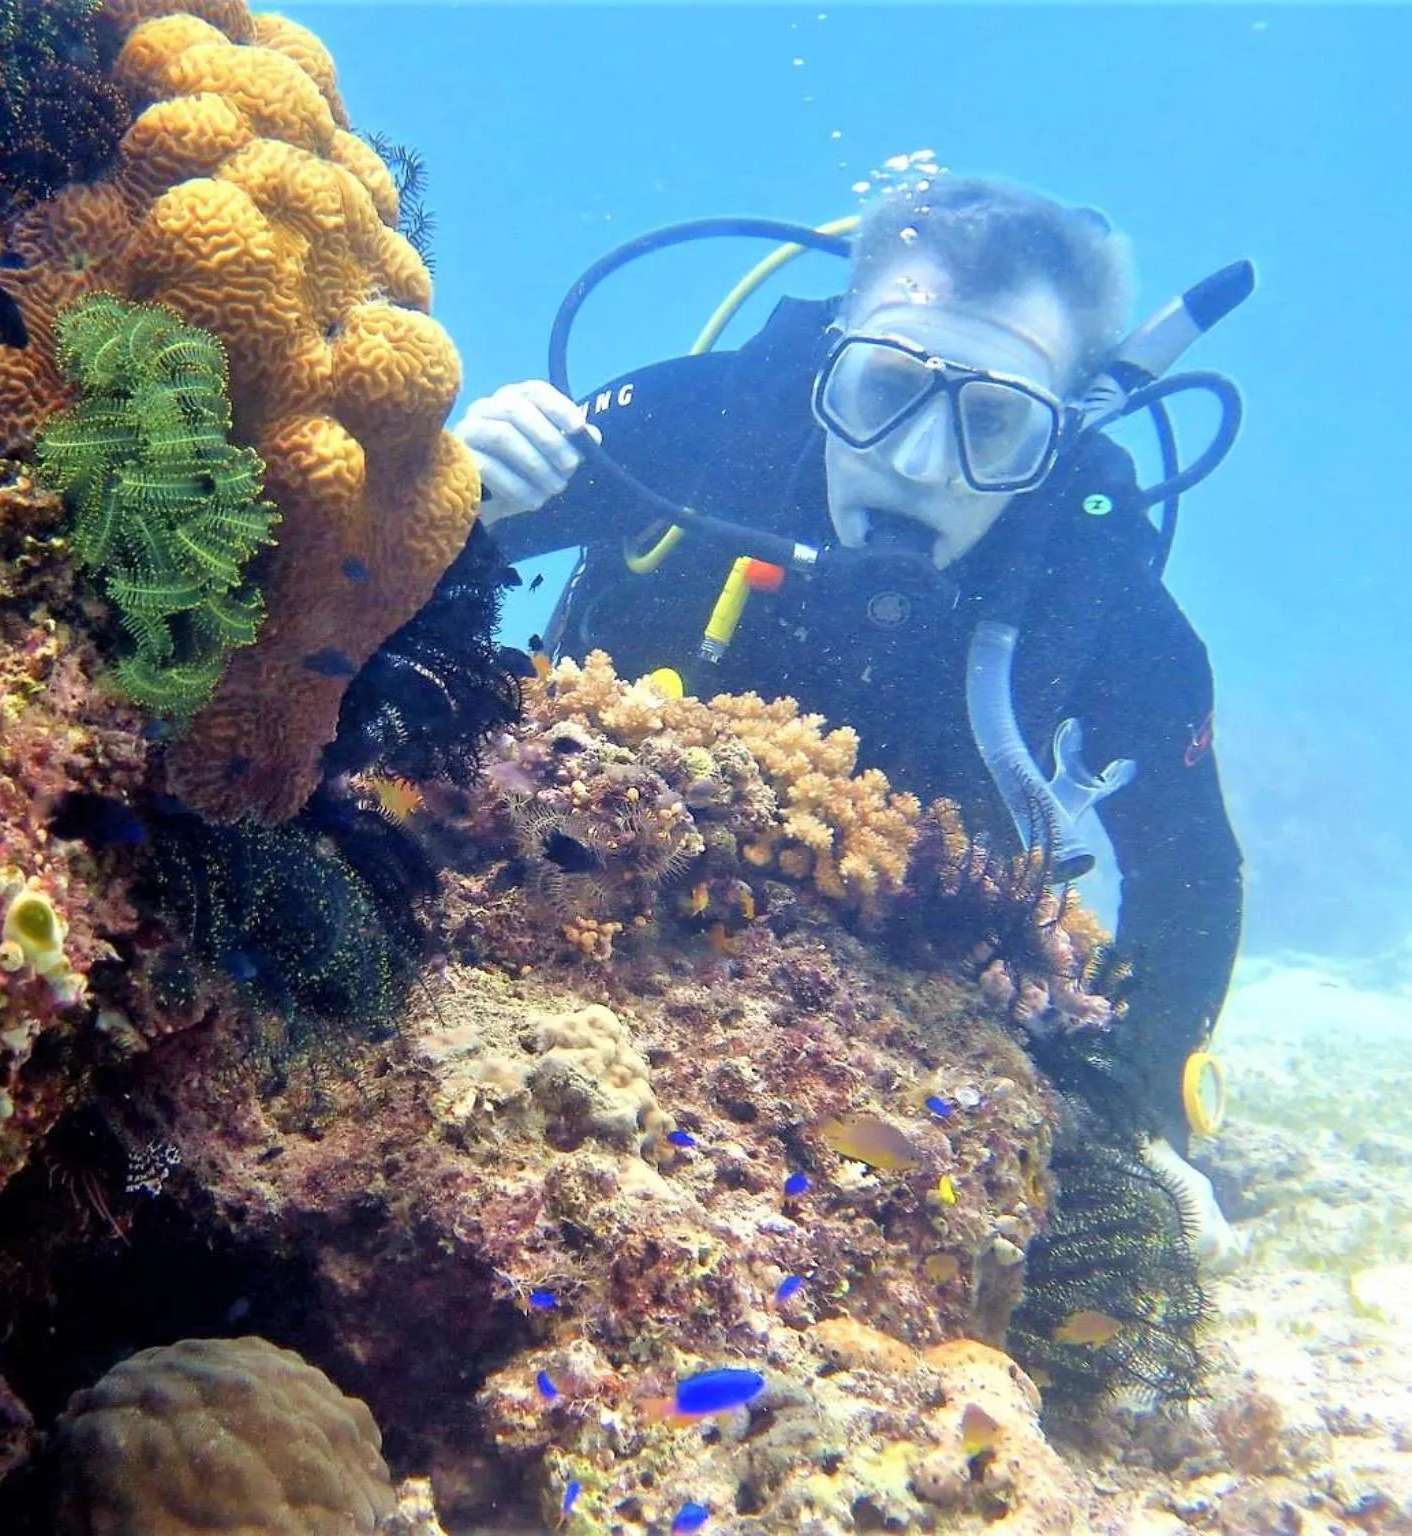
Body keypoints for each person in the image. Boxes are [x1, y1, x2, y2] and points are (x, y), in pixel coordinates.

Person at [458, 174, 1244, 1264]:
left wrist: (1145, 1121)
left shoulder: (1098, 586)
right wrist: (454, 492)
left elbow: (1187, 870)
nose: (921, 463)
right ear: (829, 353)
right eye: (881, 388)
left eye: (994, 421)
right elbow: (401, 572)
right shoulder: (703, 422)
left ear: (1059, 437)